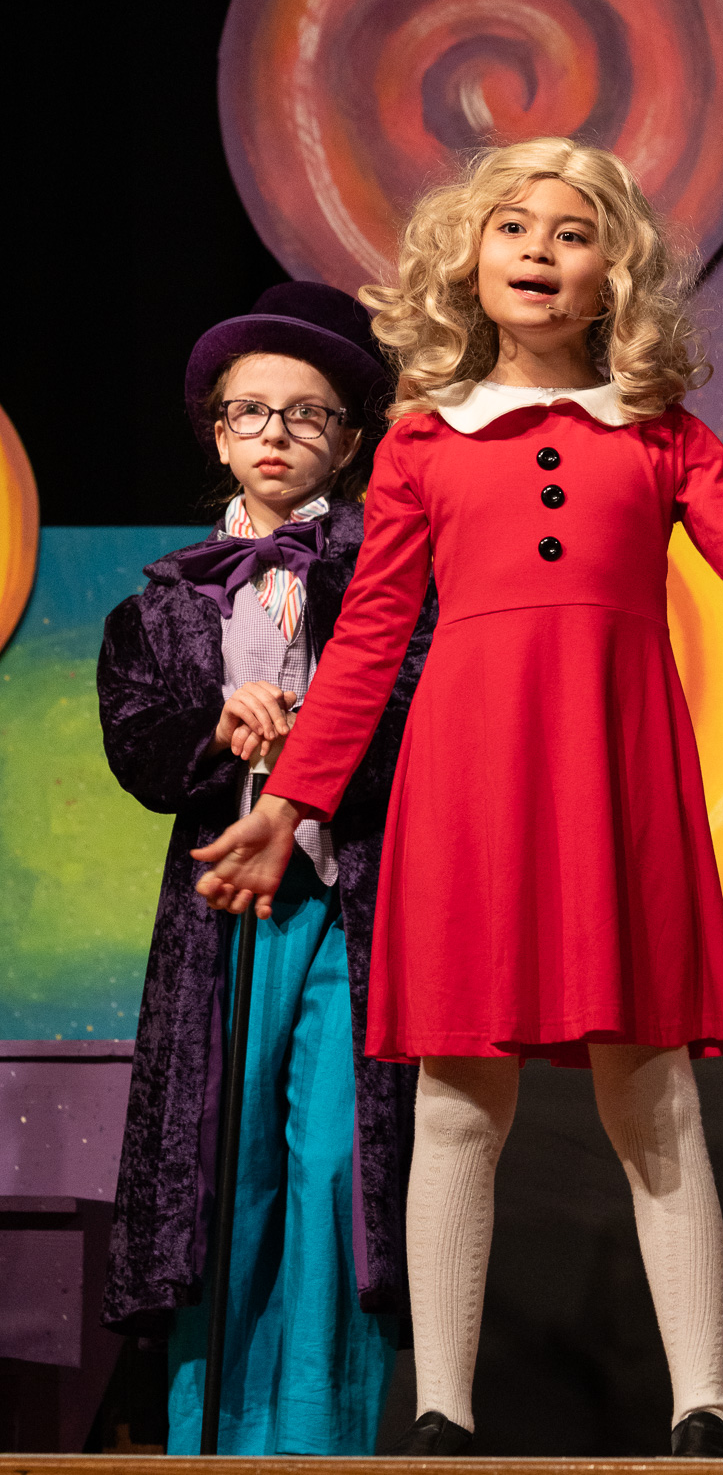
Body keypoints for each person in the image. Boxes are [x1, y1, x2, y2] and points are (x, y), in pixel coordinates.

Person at [190, 140, 723, 1458]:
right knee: (458, 1099)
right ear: (471, 257)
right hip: (467, 794)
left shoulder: (662, 435)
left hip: (618, 788)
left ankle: (703, 1404)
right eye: (515, 226)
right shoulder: (424, 444)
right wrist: (294, 800)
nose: (541, 251)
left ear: (612, 269)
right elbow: (372, 638)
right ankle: (442, 1411)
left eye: (571, 231)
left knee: (650, 1094)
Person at [97, 281, 437, 1455]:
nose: (276, 434)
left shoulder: (393, 578)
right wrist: (214, 723)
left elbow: (424, 710)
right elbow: (138, 749)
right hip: (221, 919)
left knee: (337, 1165)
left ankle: (315, 1437)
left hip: (348, 906)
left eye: (308, 414)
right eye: (251, 412)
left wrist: (322, 735)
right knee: (222, 1165)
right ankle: (214, 1439)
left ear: (349, 439)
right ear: (218, 434)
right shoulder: (162, 606)